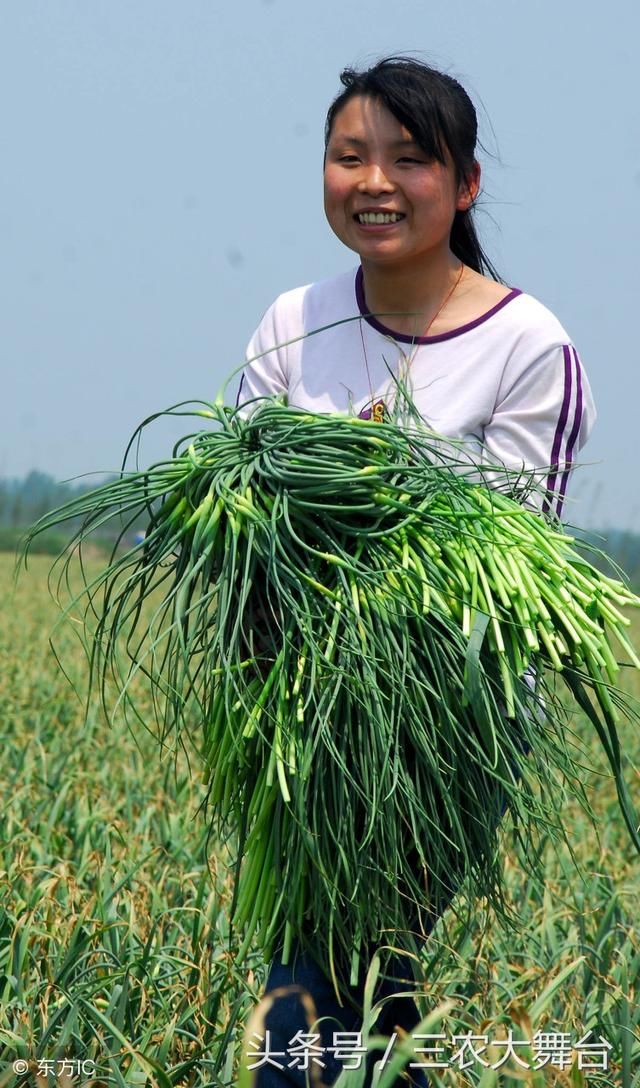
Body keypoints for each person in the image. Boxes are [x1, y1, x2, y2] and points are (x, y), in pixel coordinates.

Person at [235, 56, 596, 1087]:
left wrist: (359, 508)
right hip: (298, 712)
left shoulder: (527, 343)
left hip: (443, 725)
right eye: (350, 157)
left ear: (465, 183)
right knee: (361, 996)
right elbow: (249, 505)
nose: (374, 181)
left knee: (321, 982)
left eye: (408, 159)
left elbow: (509, 556)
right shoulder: (292, 319)